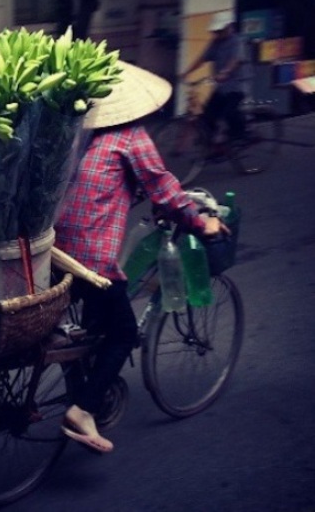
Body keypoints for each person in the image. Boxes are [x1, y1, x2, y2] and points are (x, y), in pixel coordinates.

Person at [54, 61, 228, 453]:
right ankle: (82, 409)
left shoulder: (75, 138)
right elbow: (164, 189)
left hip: (53, 250)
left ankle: (85, 381)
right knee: (123, 333)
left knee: (91, 323)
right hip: (88, 259)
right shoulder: (130, 138)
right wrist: (203, 223)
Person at [179, 10, 251, 142]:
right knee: (208, 116)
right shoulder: (215, 42)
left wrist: (225, 72)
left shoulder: (237, 41)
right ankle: (214, 148)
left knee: (228, 114)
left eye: (220, 30)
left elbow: (235, 59)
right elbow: (202, 59)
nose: (217, 33)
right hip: (222, 87)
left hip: (237, 86)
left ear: (229, 27)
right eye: (216, 31)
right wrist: (186, 72)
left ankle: (242, 136)